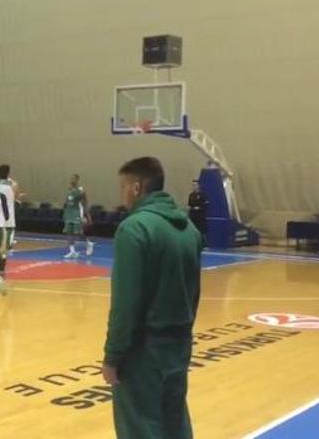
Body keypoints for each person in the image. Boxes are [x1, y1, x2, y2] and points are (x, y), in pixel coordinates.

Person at [102, 157, 203, 439]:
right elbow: (194, 293)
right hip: (179, 344)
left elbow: (126, 303)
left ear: (136, 187)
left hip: (143, 352)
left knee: (139, 426)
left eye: (123, 186)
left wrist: (113, 356)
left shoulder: (135, 228)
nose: (121, 194)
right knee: (175, 422)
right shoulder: (190, 231)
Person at [62, 173, 95, 258]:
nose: (71, 180)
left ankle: (89, 243)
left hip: (77, 213)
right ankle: (72, 251)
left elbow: (85, 203)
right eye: (71, 178)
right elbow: (67, 203)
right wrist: (64, 212)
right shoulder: (69, 190)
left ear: (77, 180)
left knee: (79, 233)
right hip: (69, 213)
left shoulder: (81, 191)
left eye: (73, 178)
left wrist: (88, 216)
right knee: (69, 233)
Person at [0, 164, 24, 254]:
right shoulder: (13, 185)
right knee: (10, 229)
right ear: (8, 173)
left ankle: (0, 246)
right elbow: (15, 197)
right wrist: (19, 197)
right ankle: (8, 247)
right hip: (9, 210)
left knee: (0, 230)